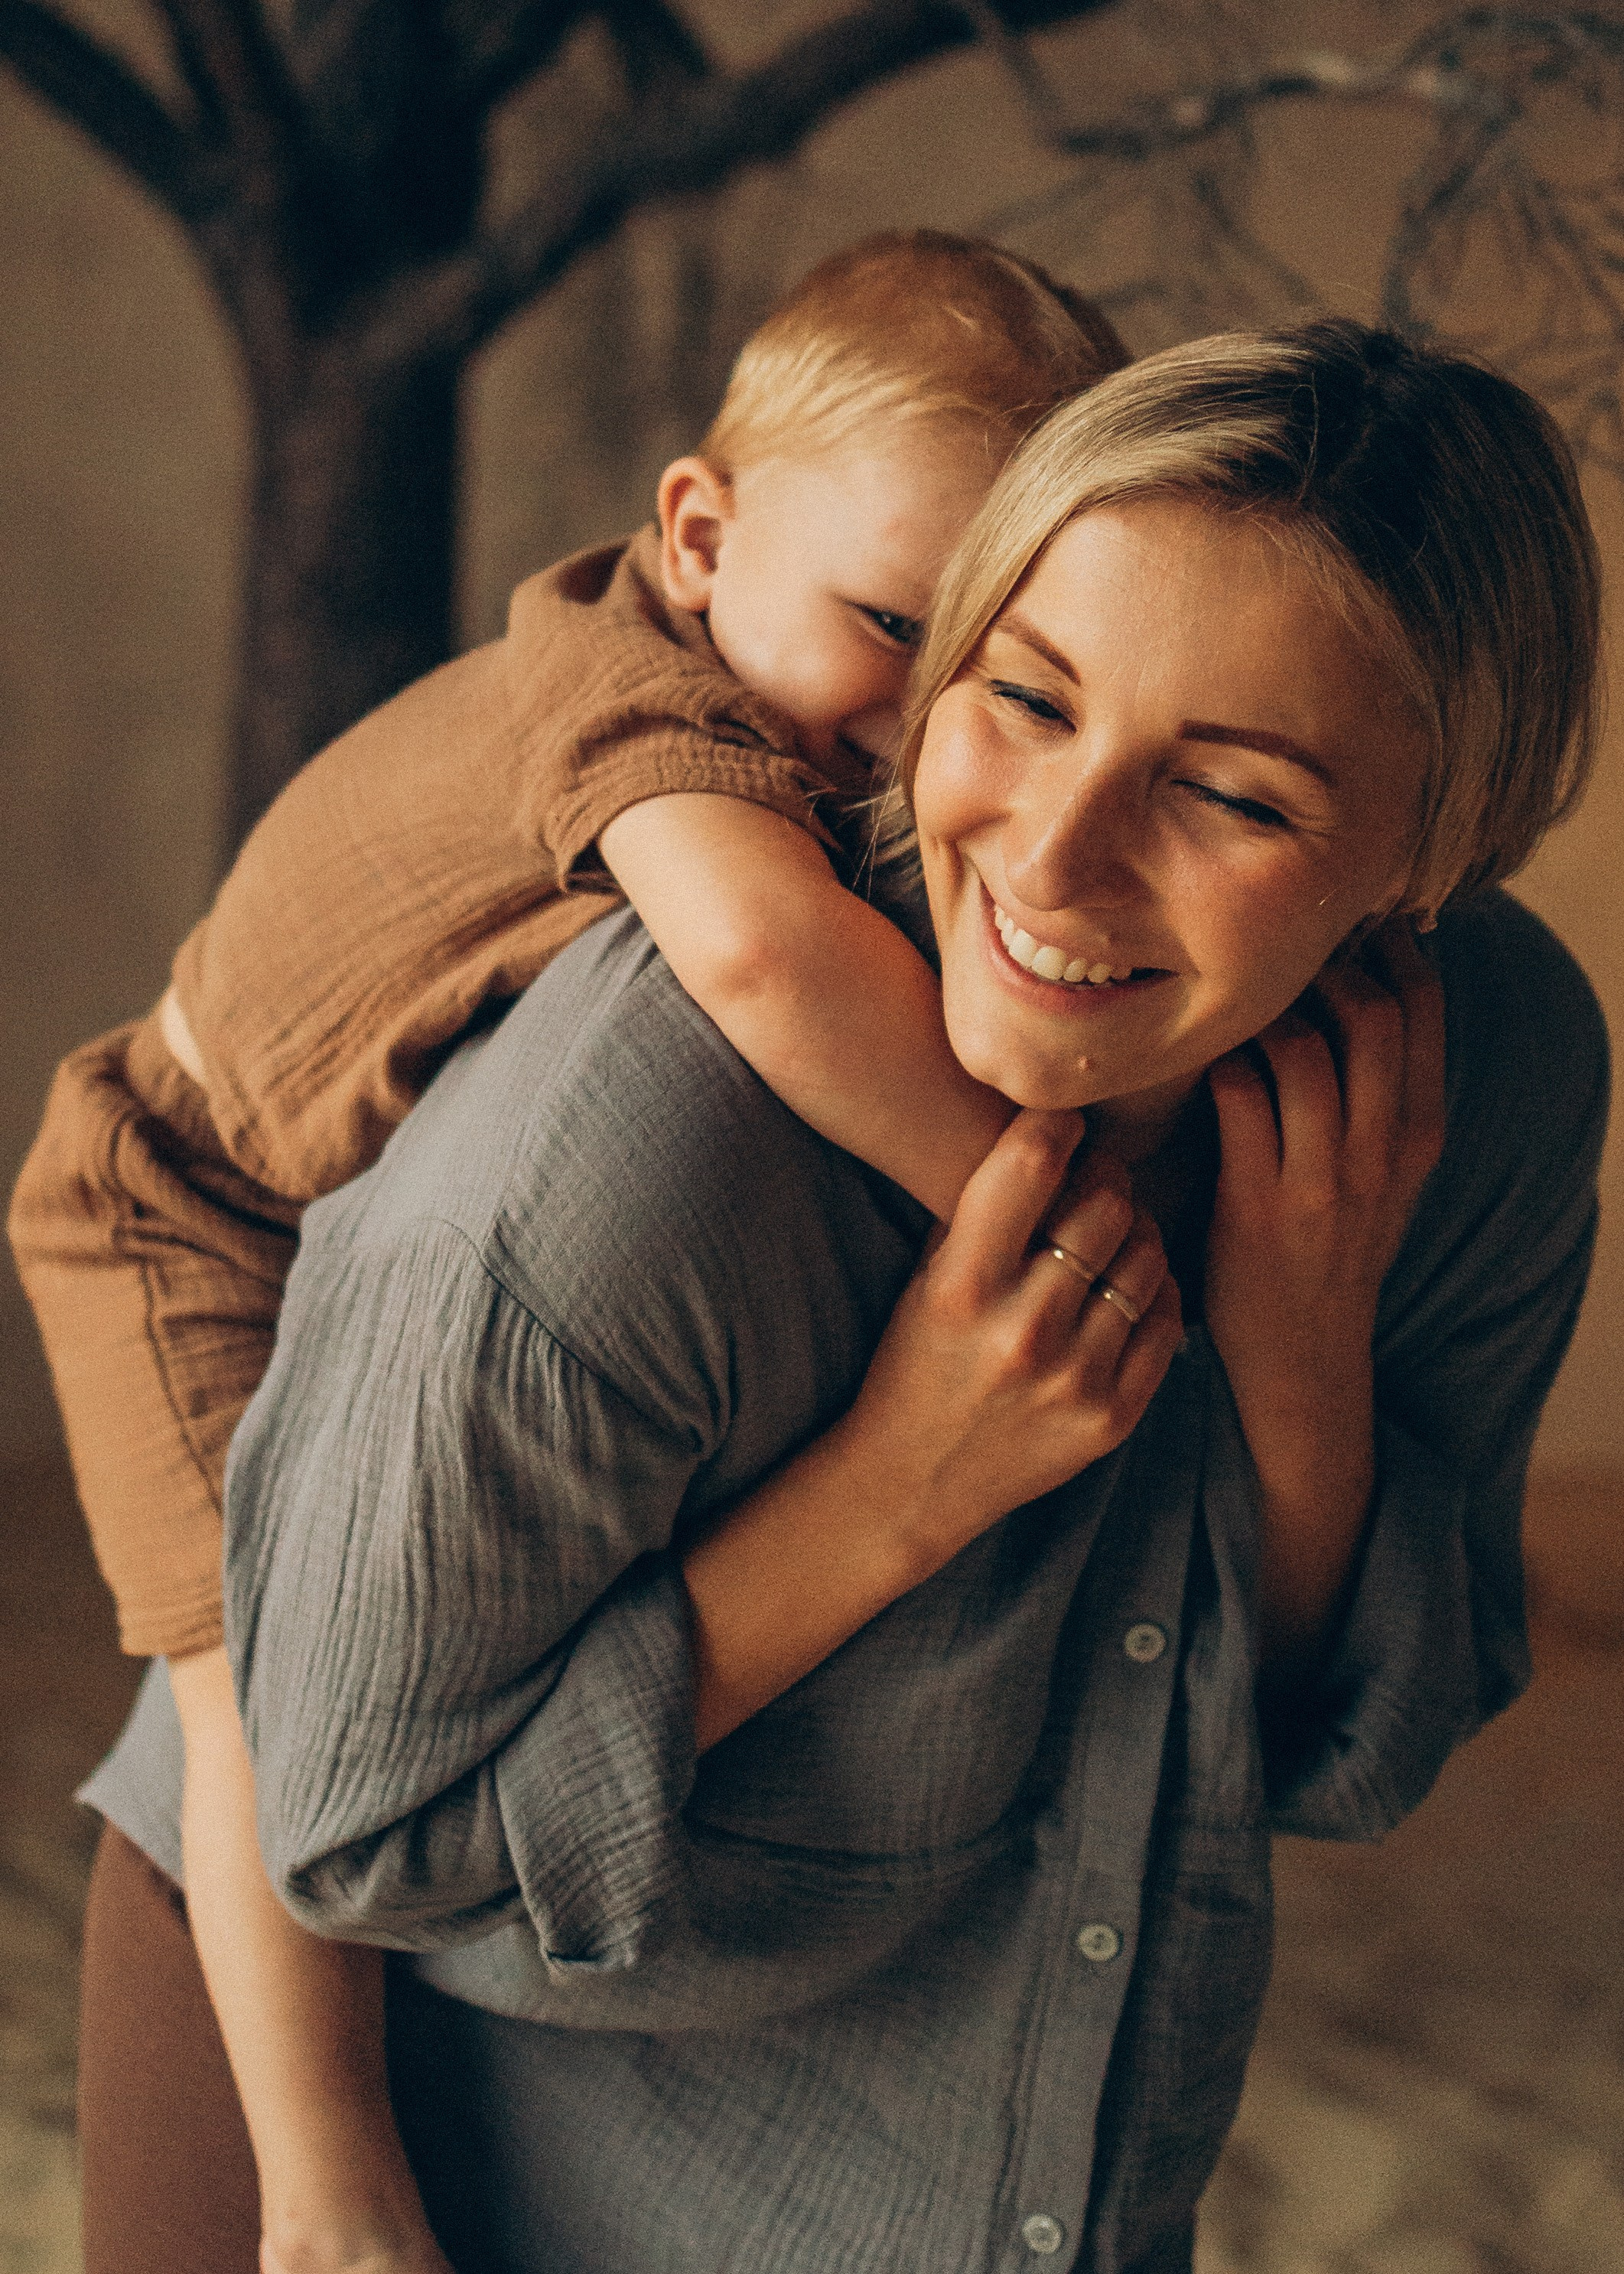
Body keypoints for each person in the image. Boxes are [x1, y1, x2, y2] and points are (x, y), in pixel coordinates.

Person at [71, 318, 1607, 2272]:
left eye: (1233, 797)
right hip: (377, 2055)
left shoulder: (1491, 1085)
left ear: (1440, 860)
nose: (1054, 857)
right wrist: (898, 1488)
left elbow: (1340, 1751)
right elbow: (361, 1833)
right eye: (1026, 700)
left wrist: (1298, 1360)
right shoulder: (633, 1145)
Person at [10, 233, 1126, 2274]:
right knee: (255, 1674)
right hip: (169, 1201)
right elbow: (762, 957)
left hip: (294, 1178)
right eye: (889, 619)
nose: (922, 716)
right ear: (695, 535)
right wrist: (1036, 1203)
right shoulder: (635, 692)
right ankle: (330, 2182)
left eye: (992, 657)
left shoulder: (789, 695)